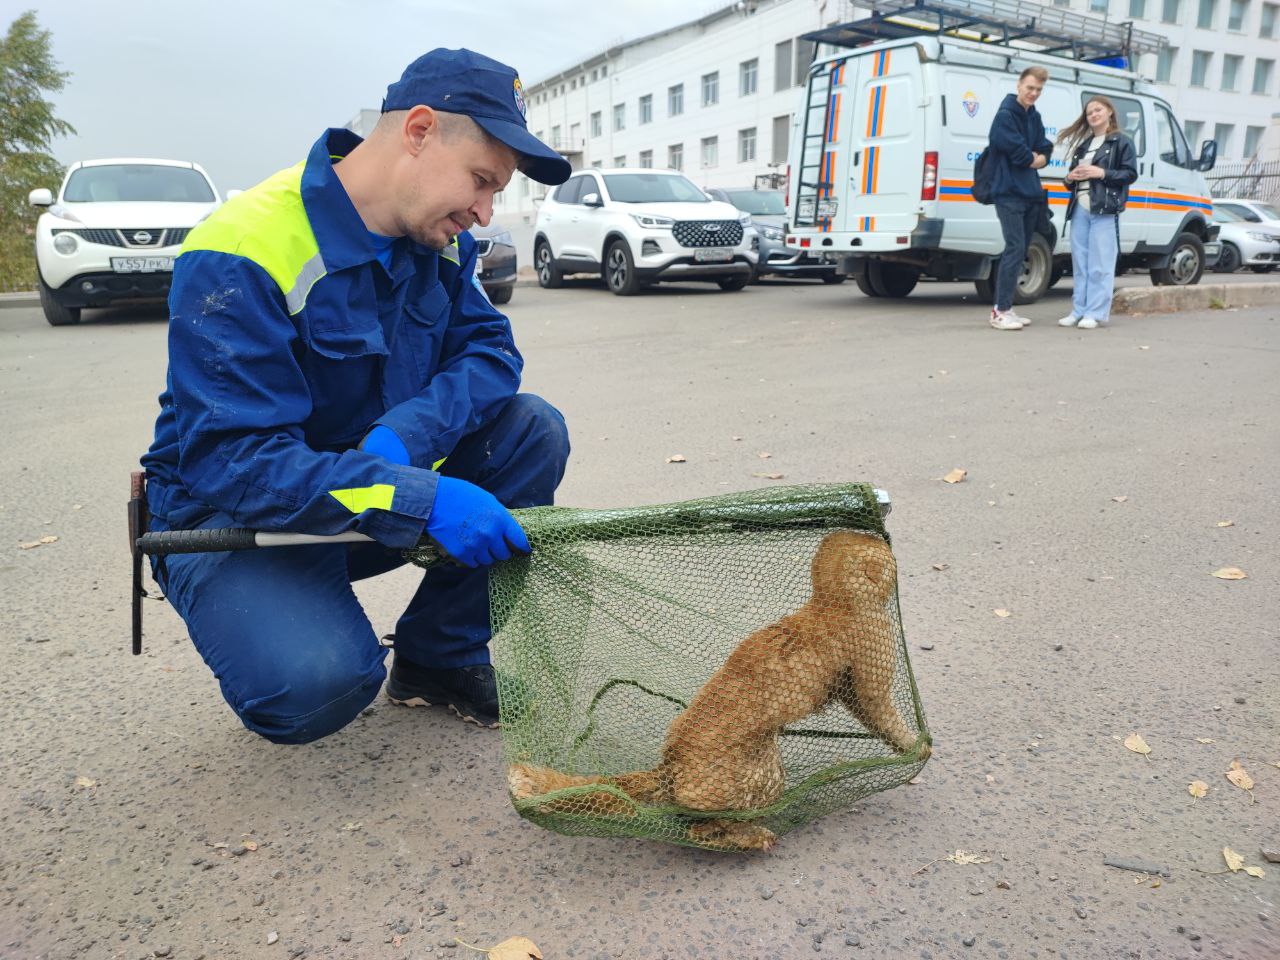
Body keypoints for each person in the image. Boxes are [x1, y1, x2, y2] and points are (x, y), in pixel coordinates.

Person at [139, 49, 572, 744]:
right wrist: (415, 497)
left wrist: (408, 437)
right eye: (483, 181)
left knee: (531, 432)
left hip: (358, 498)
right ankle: (288, 617)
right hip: (235, 519)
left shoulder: (440, 244)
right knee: (317, 684)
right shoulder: (242, 248)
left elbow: (491, 354)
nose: (486, 213)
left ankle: (439, 657)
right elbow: (238, 463)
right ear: (421, 131)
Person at [1055, 96, 1138, 329]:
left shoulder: (1121, 142)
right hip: (1080, 207)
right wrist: (1069, 178)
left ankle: (1095, 312)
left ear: (1110, 111)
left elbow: (1130, 174)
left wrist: (1100, 173)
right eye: (1089, 112)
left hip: (1104, 208)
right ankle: (1078, 310)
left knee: (1100, 263)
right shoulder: (1084, 144)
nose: (1093, 115)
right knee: (1080, 262)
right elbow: (1071, 178)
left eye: (1098, 110)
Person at [985, 66, 1054, 331]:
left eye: (1038, 90)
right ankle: (999, 311)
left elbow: (1044, 145)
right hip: (1008, 192)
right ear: (1019, 85)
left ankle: (1007, 308)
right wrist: (1031, 158)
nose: (1033, 93)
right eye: (1030, 88)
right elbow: (1011, 147)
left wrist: (1040, 157)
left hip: (1028, 193)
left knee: (1021, 248)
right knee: (1014, 248)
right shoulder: (1005, 115)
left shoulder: (1033, 115)